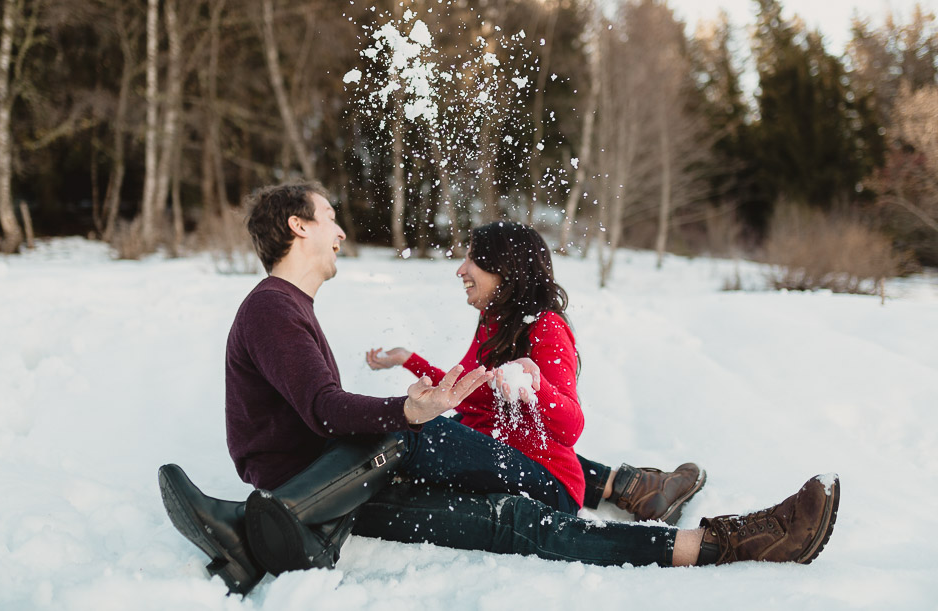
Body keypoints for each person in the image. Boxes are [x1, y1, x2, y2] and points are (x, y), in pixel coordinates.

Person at [158, 181, 841, 597]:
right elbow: (327, 409)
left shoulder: (536, 329)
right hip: (329, 480)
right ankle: (712, 538)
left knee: (477, 476)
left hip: (351, 484)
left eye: (473, 263)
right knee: (465, 468)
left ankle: (679, 513)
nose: (341, 230)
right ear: (299, 226)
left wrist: (417, 403)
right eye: (329, 218)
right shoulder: (275, 307)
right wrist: (410, 402)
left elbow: (504, 411)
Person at [366, 220, 705, 524]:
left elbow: (571, 426)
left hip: (550, 486)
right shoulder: (493, 321)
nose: (461, 269)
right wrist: (410, 360)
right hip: (513, 457)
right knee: (422, 425)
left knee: (418, 431)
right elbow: (471, 396)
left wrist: (537, 386)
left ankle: (638, 488)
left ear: (505, 268)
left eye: (473, 259)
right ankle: (637, 488)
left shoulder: (546, 328)